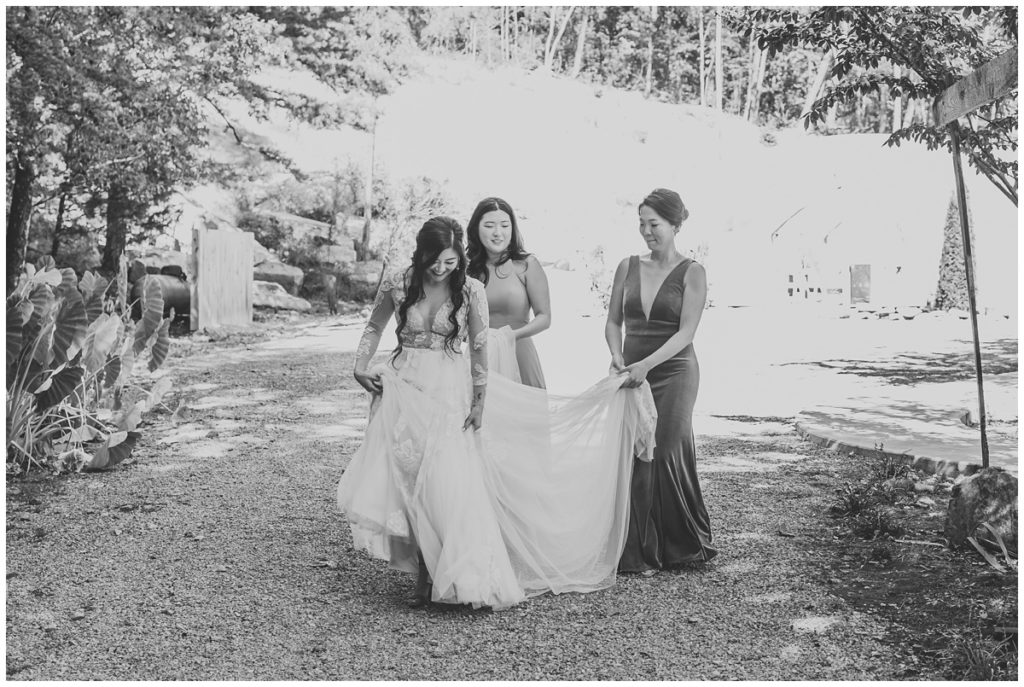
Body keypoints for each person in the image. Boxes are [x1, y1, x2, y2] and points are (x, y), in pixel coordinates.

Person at [338, 217, 658, 611]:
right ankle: (423, 563)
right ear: (420, 253)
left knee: (446, 479)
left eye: (450, 263)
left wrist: (479, 401)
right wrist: (360, 365)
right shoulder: (399, 283)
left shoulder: (470, 289)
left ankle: (448, 573)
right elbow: (373, 327)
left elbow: (479, 348)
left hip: (448, 393)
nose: (441, 270)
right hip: (403, 388)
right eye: (434, 261)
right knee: (408, 477)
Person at [606, 188, 718, 574]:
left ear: (675, 224)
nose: (646, 231)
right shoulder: (627, 266)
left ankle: (681, 544)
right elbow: (613, 322)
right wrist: (618, 355)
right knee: (635, 452)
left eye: (654, 224)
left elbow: (687, 333)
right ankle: (638, 550)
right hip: (631, 369)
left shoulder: (693, 272)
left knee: (666, 448)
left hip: (675, 370)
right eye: (641, 224)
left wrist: (646, 366)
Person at [466, 197, 550, 387]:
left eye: (505, 225)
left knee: (525, 414)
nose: (498, 233)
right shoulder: (467, 271)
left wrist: (511, 336)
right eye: (489, 225)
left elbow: (544, 317)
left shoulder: (526, 265)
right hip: (480, 358)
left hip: (520, 354)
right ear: (476, 229)